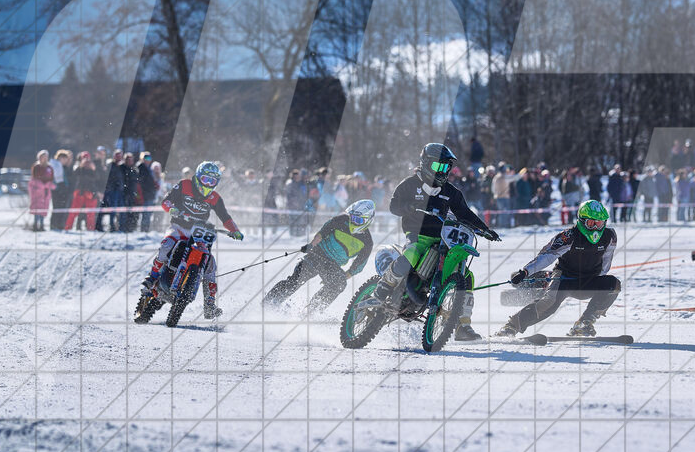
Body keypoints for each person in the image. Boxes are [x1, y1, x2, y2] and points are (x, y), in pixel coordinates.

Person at [371, 143, 500, 341]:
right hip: (417, 234)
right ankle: (382, 290)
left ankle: (463, 326)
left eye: (446, 167)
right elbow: (394, 206)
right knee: (413, 252)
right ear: (425, 164)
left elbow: (465, 213)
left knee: (466, 276)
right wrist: (410, 206)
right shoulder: (410, 184)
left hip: (444, 238)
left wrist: (485, 230)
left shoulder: (452, 192)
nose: (443, 171)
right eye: (438, 167)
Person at [495, 200, 620, 338]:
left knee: (613, 285)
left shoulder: (610, 236)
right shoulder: (569, 236)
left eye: (599, 223)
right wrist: (526, 271)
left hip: (588, 281)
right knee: (549, 303)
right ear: (582, 221)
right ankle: (511, 327)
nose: (596, 228)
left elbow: (606, 263)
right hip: (565, 278)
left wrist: (598, 281)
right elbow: (547, 256)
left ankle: (584, 324)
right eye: (591, 223)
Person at [139, 161, 244, 320]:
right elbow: (166, 201)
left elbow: (225, 217)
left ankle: (209, 305)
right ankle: (152, 277)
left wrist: (235, 230)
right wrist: (172, 209)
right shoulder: (184, 185)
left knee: (210, 264)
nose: (208, 184)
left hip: (199, 233)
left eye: (212, 181)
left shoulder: (214, 197)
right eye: (205, 179)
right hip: (180, 227)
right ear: (198, 177)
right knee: (167, 244)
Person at [264, 200, 375, 311]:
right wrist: (311, 245)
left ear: (367, 221)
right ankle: (269, 302)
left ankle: (311, 311)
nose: (353, 221)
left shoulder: (367, 242)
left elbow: (358, 266)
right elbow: (323, 232)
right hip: (317, 254)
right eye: (352, 217)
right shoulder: (341, 220)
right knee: (295, 280)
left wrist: (339, 278)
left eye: (358, 220)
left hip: (332, 264)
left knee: (339, 284)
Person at [65, 151, 102, 230]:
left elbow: (97, 178)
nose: (86, 160)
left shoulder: (93, 166)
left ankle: (90, 228)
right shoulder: (77, 166)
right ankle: (68, 227)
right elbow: (75, 176)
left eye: (87, 158)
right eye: (84, 158)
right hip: (79, 191)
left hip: (90, 191)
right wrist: (81, 166)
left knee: (90, 213)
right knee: (73, 211)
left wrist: (94, 169)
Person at [29, 150, 55, 232]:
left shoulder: (49, 168)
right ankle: (35, 225)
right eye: (43, 157)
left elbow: (51, 177)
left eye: (46, 157)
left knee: (44, 208)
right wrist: (41, 185)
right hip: (37, 190)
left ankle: (42, 225)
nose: (44, 159)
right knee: (37, 208)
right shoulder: (36, 167)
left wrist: (48, 185)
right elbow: (35, 177)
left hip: (46, 191)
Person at [49, 149, 72, 230]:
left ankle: (59, 225)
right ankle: (54, 225)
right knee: (57, 207)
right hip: (56, 190)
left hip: (62, 190)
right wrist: (60, 187)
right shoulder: (55, 165)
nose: (66, 161)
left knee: (61, 207)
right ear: (61, 158)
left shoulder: (63, 167)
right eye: (65, 159)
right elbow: (57, 179)